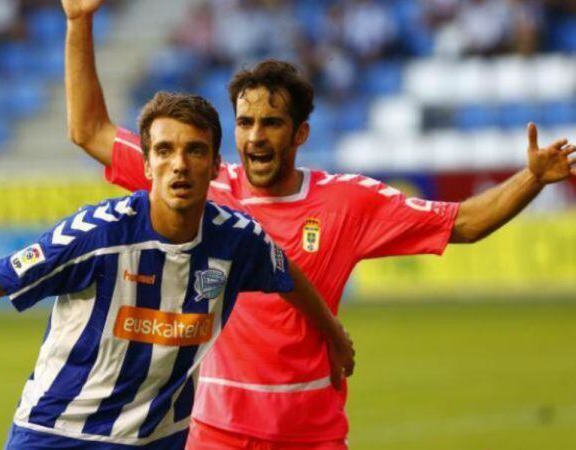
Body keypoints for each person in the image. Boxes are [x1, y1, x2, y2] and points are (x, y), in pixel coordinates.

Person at [61, 1, 576, 448]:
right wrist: (79, 22)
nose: (255, 137)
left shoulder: (347, 202)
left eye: (271, 123)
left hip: (311, 432)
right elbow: (89, 130)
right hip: (215, 430)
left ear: (300, 133)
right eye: (245, 123)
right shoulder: (202, 183)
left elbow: (462, 223)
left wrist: (531, 179)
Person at [0, 92, 354, 450]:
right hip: (58, 433)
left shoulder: (237, 240)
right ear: (147, 164)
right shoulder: (98, 235)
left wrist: (332, 334)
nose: (179, 165)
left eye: (195, 151)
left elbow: (285, 273)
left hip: (157, 439)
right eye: (165, 151)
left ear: (215, 165)